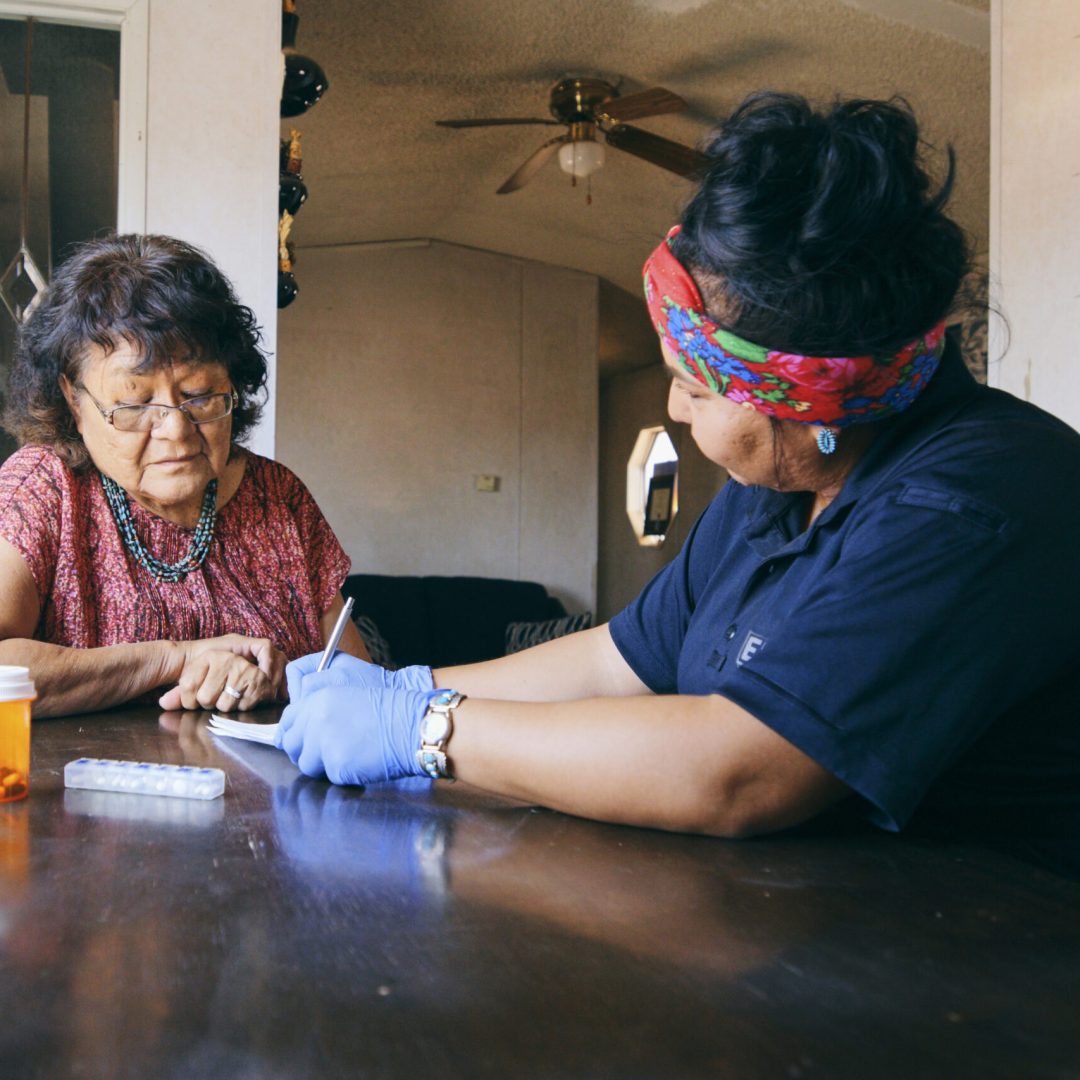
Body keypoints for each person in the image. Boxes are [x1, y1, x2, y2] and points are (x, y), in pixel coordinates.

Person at [275, 92, 1080, 840]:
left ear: (812, 404)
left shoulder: (980, 500)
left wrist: (423, 728)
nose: (673, 409)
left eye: (695, 387)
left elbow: (737, 772)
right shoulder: (777, 486)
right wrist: (405, 683)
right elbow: (613, 659)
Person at [0, 234, 367, 719]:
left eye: (199, 394)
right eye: (133, 404)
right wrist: (176, 657)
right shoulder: (43, 488)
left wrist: (286, 678)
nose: (175, 429)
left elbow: (363, 682)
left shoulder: (279, 497)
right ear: (73, 397)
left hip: (267, 792)